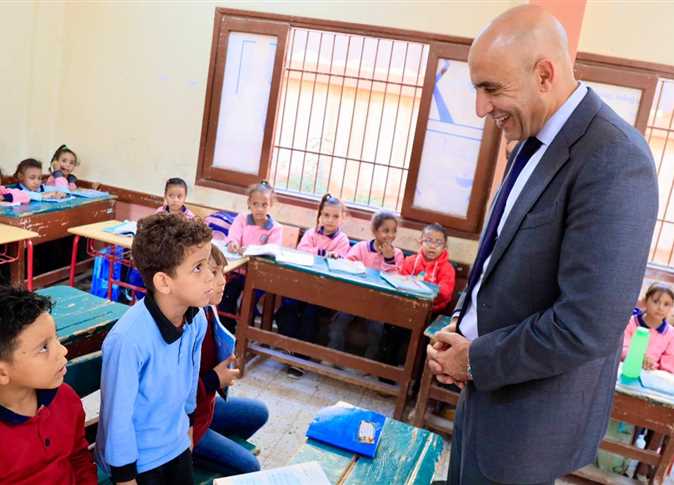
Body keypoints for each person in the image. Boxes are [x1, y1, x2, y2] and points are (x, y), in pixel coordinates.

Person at [426, 5, 658, 484]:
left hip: (527, 420)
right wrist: (462, 327)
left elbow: (587, 324)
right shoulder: (530, 140)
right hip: (484, 389)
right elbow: (500, 257)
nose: (481, 108)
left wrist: (475, 358)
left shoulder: (614, 158)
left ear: (545, 75)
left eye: (492, 89)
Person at [95, 213, 212, 485]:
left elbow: (190, 379)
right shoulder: (128, 340)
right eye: (198, 268)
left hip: (177, 443)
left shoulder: (197, 319)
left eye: (207, 264)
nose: (210, 276)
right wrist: (125, 476)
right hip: (139, 461)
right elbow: (117, 417)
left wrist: (189, 424)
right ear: (163, 282)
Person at [0, 286, 97, 484]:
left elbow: (78, 456)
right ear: (2, 372)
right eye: (44, 348)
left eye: (56, 338)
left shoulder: (65, 398)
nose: (62, 351)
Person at [192, 245, 268, 475]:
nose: (223, 281)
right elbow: (177, 397)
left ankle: (214, 456)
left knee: (259, 412)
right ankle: (197, 458)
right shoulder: (188, 324)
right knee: (251, 466)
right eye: (214, 273)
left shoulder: (206, 310)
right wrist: (215, 379)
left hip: (204, 408)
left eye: (222, 273)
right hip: (186, 424)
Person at [275, 193, 350, 378]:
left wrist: (324, 254)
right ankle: (289, 349)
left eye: (335, 216)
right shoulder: (311, 233)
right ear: (320, 215)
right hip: (302, 286)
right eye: (326, 215)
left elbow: (340, 259)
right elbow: (302, 251)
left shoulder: (342, 240)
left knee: (310, 315)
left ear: (342, 218)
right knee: (287, 307)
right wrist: (324, 253)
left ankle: (300, 359)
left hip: (324, 293)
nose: (330, 220)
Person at [327, 211, 403, 361]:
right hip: (355, 298)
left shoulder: (397, 254)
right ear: (375, 231)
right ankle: (334, 356)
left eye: (394, 231)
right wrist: (338, 258)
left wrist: (389, 259)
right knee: (338, 322)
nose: (390, 235)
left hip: (378, 303)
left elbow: (394, 280)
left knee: (377, 330)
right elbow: (347, 264)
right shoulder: (361, 247)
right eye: (385, 231)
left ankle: (368, 363)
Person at [219, 180, 282, 332]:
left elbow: (272, 250)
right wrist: (233, 243)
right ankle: (227, 331)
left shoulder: (275, 228)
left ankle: (244, 335)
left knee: (248, 303)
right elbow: (233, 237)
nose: (259, 209)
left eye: (264, 205)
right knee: (226, 297)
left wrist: (254, 250)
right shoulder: (242, 219)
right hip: (238, 272)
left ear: (271, 205)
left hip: (259, 276)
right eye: (255, 204)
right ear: (249, 203)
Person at [623, 282, 674, 373]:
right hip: (626, 368)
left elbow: (669, 364)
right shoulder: (630, 322)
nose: (660, 308)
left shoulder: (671, 333)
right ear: (645, 301)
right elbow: (622, 348)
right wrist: (639, 358)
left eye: (666, 304)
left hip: (652, 374)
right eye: (656, 302)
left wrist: (653, 367)